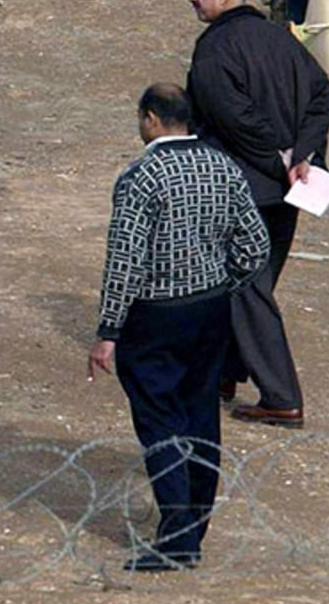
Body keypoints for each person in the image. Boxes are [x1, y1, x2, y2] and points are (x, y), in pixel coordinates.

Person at [88, 83, 269, 571]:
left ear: (150, 118)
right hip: (210, 309)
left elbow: (125, 260)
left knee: (160, 422)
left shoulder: (142, 176)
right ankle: (194, 527)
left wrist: (108, 330)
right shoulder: (222, 166)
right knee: (200, 415)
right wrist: (223, 283)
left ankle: (177, 538)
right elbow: (255, 244)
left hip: (156, 315)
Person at [186, 0, 329, 429]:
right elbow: (322, 97)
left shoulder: (215, 50)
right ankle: (224, 375)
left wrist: (282, 160)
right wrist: (303, 155)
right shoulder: (281, 39)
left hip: (244, 190)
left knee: (245, 290)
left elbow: (235, 119)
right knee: (254, 284)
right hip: (289, 192)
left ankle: (281, 396)